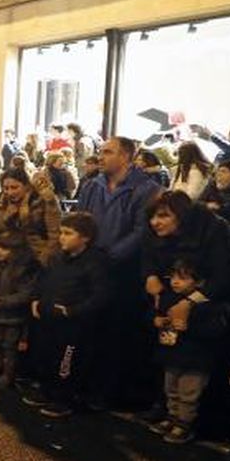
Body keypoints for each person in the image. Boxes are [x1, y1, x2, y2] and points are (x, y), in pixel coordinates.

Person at [76, 137, 162, 407]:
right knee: (90, 330)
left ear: (126, 156)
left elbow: (142, 231)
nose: (100, 157)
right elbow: (82, 220)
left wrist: (110, 256)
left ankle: (107, 393)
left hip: (123, 273)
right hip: (92, 267)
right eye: (100, 152)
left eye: (107, 152)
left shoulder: (147, 190)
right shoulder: (92, 185)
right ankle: (84, 385)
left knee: (116, 334)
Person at [27, 212, 111, 418]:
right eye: (61, 232)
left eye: (68, 233)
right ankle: (47, 390)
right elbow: (44, 280)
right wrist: (37, 299)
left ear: (85, 237)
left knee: (67, 362)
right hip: (50, 319)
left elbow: (101, 295)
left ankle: (63, 399)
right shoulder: (58, 258)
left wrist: (73, 311)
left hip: (74, 325)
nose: (62, 237)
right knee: (47, 355)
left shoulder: (96, 262)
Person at [149, 258, 230, 444]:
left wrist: (189, 327)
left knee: (189, 393)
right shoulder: (169, 297)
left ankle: (184, 424)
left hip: (196, 359)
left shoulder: (210, 305)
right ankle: (172, 417)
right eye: (173, 277)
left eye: (183, 278)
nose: (175, 282)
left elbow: (216, 331)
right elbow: (154, 313)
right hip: (172, 355)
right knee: (171, 389)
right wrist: (156, 320)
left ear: (200, 282)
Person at [0, 231, 39, 388]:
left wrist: (2, 302)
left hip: (14, 318)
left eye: (5, 249)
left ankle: (7, 376)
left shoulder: (24, 271)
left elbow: (25, 294)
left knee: (10, 349)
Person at [0, 167, 62, 265]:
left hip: (39, 256)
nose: (10, 192)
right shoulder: (3, 202)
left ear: (26, 186)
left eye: (14, 187)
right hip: (12, 257)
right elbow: (0, 230)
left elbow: (55, 232)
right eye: (6, 188)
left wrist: (46, 257)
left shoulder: (43, 200)